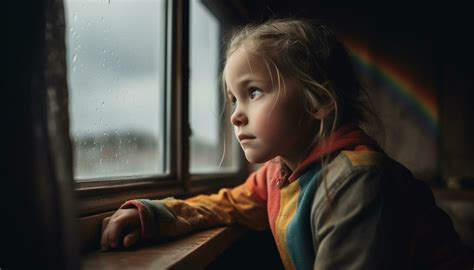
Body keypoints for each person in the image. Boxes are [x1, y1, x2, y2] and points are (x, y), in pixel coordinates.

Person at [100, 18, 472, 269]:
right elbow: (224, 206)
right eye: (233, 99)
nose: (235, 115)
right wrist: (154, 214)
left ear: (319, 101)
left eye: (254, 92)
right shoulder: (281, 172)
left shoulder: (355, 181)